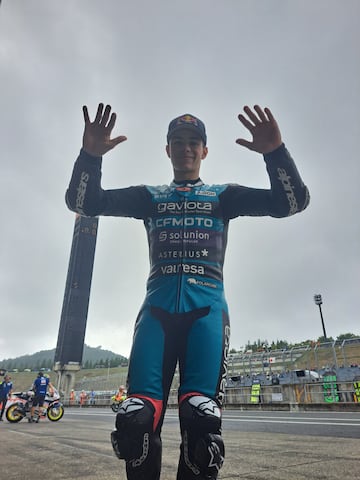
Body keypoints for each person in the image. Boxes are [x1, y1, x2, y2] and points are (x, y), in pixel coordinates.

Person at [65, 103, 310, 480]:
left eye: (194, 142)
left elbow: (291, 203)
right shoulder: (149, 196)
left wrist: (275, 153)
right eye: (177, 142)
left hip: (207, 315)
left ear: (205, 150)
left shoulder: (222, 196)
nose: (186, 148)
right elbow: (83, 203)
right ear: (167, 150)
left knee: (201, 423)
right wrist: (90, 157)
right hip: (155, 315)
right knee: (136, 421)